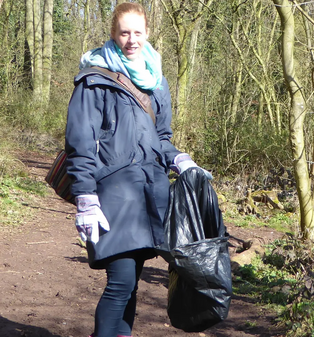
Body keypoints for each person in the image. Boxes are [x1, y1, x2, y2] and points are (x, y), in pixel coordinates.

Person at [64, 3, 210, 337]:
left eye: (138, 32)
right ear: (114, 34)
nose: (131, 39)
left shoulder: (156, 80)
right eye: (124, 32)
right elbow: (80, 142)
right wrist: (85, 196)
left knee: (131, 286)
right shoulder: (94, 79)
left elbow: (160, 137)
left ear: (147, 33)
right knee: (121, 282)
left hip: (150, 194)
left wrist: (178, 158)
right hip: (113, 194)